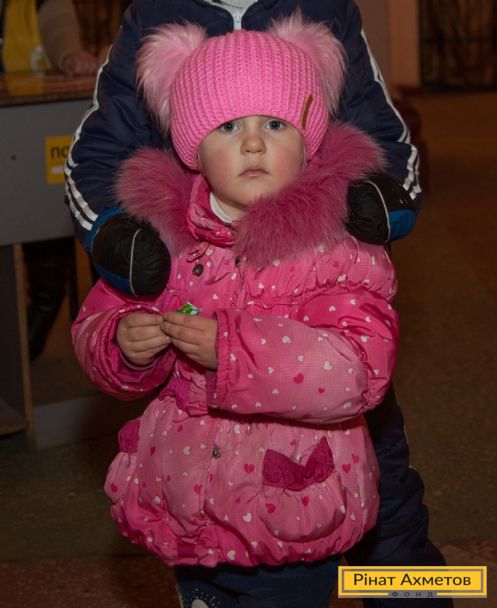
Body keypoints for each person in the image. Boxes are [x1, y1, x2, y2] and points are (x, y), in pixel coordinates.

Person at [66, 2, 452, 607]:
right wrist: (119, 248)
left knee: (384, 490)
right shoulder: (155, 14)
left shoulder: (325, 9)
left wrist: (382, 197)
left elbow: (376, 117)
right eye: (228, 129)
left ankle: (414, 591)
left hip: (317, 322)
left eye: (271, 126)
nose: (250, 143)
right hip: (195, 463)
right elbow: (100, 144)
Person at [0, 0, 99, 359]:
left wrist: (70, 54)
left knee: (43, 224)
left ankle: (27, 343)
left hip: (25, 130)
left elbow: (57, 20)